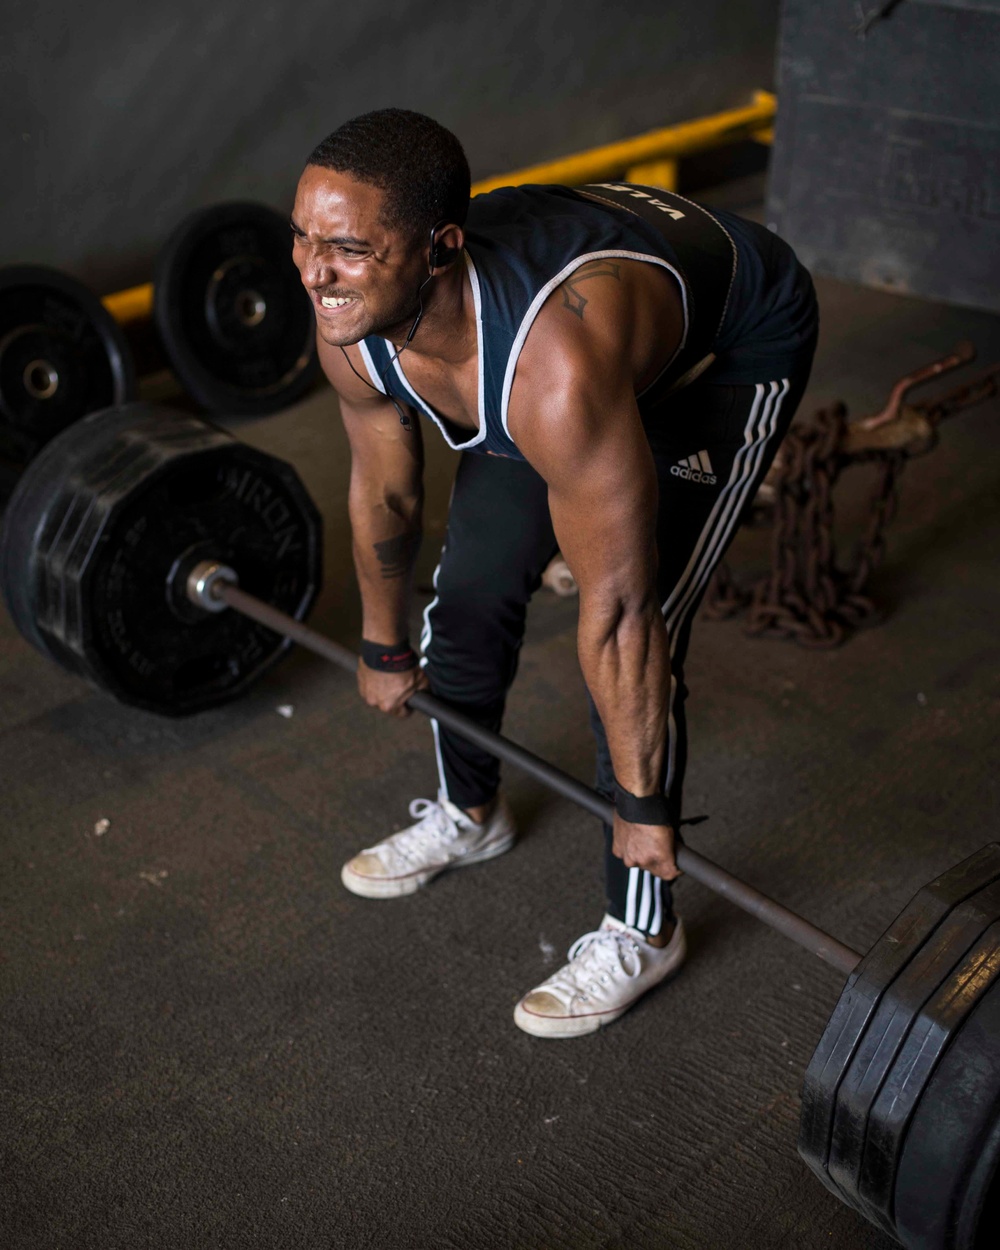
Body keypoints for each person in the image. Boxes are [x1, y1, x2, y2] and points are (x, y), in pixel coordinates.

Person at [290, 108, 818, 1038]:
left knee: (647, 626)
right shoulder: (355, 313)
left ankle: (644, 927)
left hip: (726, 349)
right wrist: (380, 643)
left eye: (344, 249)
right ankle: (469, 808)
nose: (312, 270)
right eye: (300, 237)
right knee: (469, 596)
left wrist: (643, 808)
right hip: (536, 339)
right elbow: (387, 489)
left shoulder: (554, 375)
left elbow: (620, 618)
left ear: (437, 249)